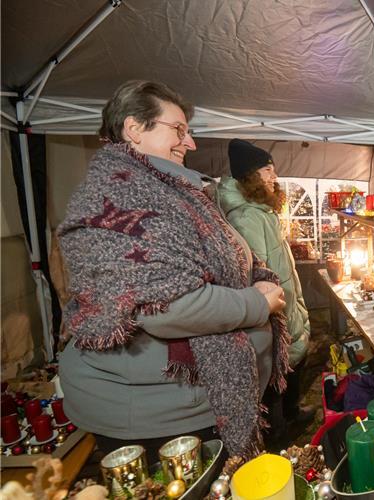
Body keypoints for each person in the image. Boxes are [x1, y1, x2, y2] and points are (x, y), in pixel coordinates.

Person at [57, 81, 289, 463]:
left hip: (187, 403)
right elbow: (171, 306)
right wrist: (256, 303)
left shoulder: (170, 191)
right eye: (179, 130)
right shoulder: (122, 197)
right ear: (134, 129)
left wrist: (260, 274)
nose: (191, 143)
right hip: (158, 416)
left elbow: (230, 254)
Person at [217, 139, 314, 444]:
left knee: (291, 368)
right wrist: (282, 307)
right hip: (273, 313)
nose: (274, 177)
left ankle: (293, 415)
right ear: (249, 177)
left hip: (286, 306)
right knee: (275, 377)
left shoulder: (262, 212)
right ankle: (279, 440)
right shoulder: (245, 218)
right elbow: (258, 276)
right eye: (267, 170)